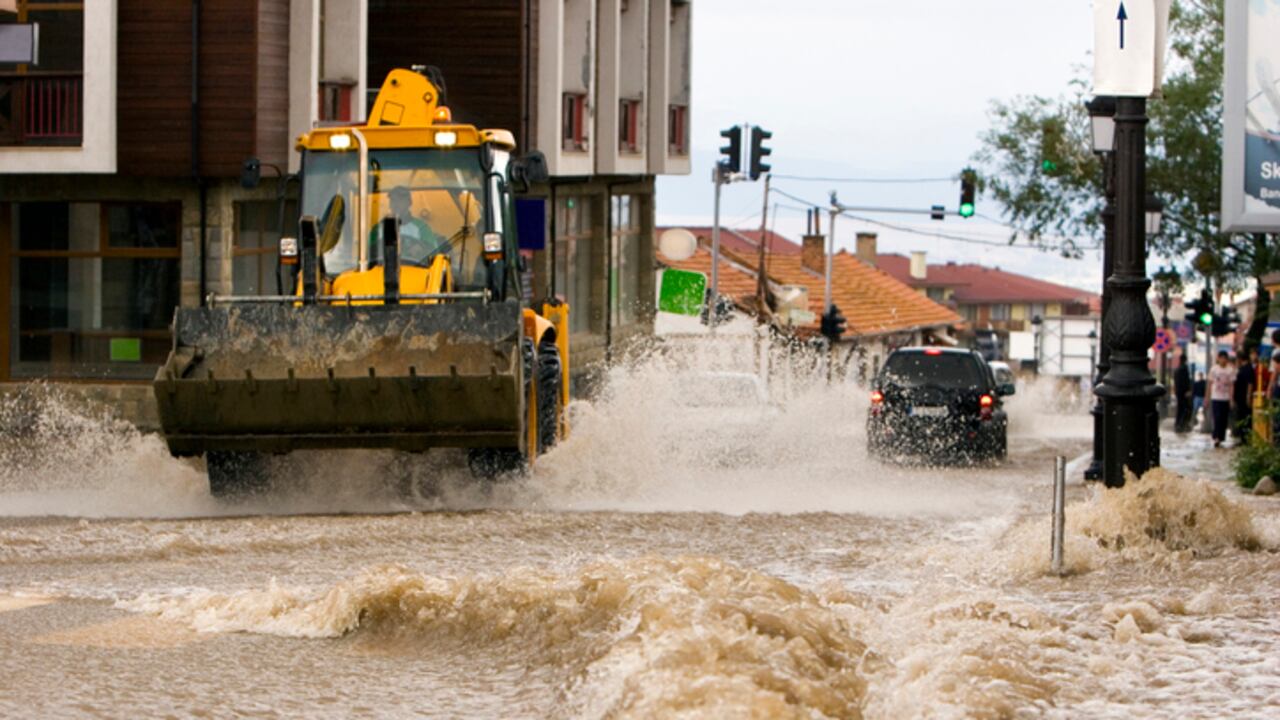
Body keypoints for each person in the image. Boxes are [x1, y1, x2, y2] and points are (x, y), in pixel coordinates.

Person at [371, 186, 448, 265]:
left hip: (415, 271)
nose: (396, 204)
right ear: (390, 204)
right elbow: (369, 254)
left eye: (401, 200)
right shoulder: (378, 229)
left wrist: (421, 250)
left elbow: (433, 255)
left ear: (409, 202)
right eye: (393, 200)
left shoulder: (422, 228)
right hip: (382, 271)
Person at [1209, 351, 1235, 448]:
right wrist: (1207, 398)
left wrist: (1231, 399)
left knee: (1223, 419)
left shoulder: (1230, 370)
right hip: (1215, 397)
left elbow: (1232, 385)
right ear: (1218, 358)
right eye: (1221, 358)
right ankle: (1216, 437)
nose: (1223, 360)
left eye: (1225, 358)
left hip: (1226, 398)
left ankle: (1220, 437)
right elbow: (1209, 383)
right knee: (1216, 418)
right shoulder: (1214, 369)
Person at [1233, 348, 1258, 442]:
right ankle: (1243, 437)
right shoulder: (1242, 369)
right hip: (1240, 397)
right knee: (1241, 417)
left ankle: (1246, 438)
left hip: (1244, 398)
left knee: (1245, 417)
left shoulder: (1247, 369)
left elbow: (1250, 383)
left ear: (1240, 359)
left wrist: (1248, 397)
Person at [1173, 353, 1192, 433]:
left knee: (1180, 408)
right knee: (1186, 408)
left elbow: (1176, 382)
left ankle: (1178, 424)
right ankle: (1182, 424)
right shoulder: (1184, 368)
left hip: (1178, 392)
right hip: (1183, 392)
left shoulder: (1177, 369)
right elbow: (1186, 380)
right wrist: (1188, 390)